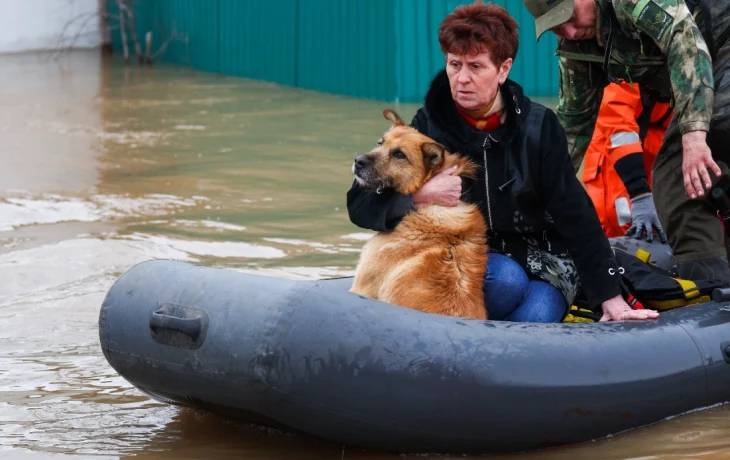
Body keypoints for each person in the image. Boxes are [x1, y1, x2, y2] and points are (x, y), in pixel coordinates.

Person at [346, 1, 658, 323]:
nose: (462, 78)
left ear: (504, 69)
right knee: (505, 281)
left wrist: (611, 297)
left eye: (476, 67)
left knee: (536, 315)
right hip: (478, 261)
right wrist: (418, 197)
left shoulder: (540, 126)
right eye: (455, 65)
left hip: (545, 262)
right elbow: (359, 204)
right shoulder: (428, 126)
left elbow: (575, 212)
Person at [523, 0, 730, 282]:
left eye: (569, 17)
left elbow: (685, 42)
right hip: (708, 69)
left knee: (694, 158)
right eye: (557, 27)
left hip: (720, 49)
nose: (569, 32)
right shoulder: (578, 46)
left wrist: (694, 136)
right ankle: (713, 292)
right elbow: (572, 127)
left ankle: (712, 298)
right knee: (682, 176)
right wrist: (536, 198)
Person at [582, 81, 672, 241]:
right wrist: (639, 193)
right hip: (616, 153)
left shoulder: (693, 68)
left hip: (658, 149)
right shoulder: (623, 67)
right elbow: (617, 123)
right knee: (621, 220)